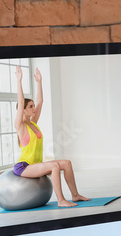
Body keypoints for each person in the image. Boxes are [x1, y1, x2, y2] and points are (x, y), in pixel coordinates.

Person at [13, 65, 90, 207]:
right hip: (24, 166)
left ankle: (75, 195)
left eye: (33, 106)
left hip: (35, 164)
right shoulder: (21, 126)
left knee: (66, 163)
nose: (34, 108)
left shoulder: (33, 124)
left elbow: (41, 102)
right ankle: (61, 200)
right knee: (54, 166)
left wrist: (39, 82)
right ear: (22, 110)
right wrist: (19, 81)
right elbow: (21, 100)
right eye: (30, 106)